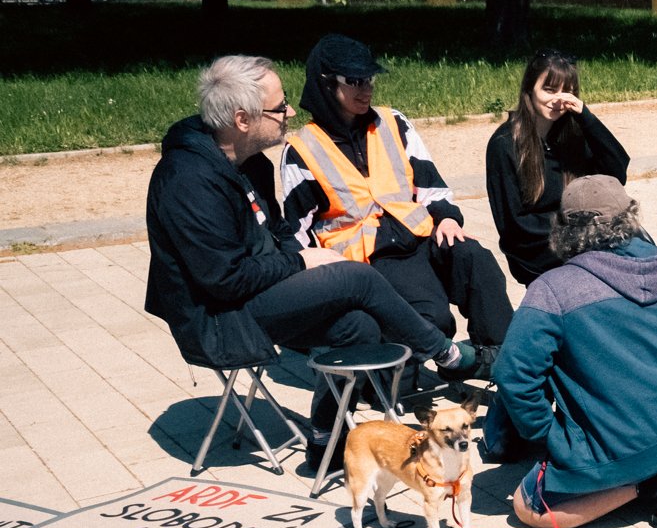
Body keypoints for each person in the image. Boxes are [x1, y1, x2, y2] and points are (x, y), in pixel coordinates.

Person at [144, 55, 473, 412]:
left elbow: (280, 230)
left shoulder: (250, 162)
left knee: (358, 325)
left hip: (254, 290)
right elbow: (224, 280)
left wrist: (294, 260)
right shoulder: (189, 181)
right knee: (355, 277)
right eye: (279, 107)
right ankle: (446, 352)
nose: (291, 113)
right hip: (217, 316)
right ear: (242, 120)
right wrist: (300, 261)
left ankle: (324, 440)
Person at [484, 176, 657, 528]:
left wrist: (548, 437)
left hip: (627, 441)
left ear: (563, 229)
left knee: (528, 508)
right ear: (630, 217)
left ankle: (650, 483)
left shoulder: (550, 290)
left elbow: (514, 375)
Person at [280, 34, 515, 386]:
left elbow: (430, 184)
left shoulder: (393, 122)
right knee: (432, 319)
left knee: (474, 258)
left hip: (420, 238)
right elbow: (295, 234)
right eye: (355, 82)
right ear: (327, 85)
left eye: (370, 79)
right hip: (368, 263)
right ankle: (396, 377)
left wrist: (448, 216)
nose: (366, 90)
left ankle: (504, 361)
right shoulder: (302, 149)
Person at [485, 50, 631, 286]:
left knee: (640, 248)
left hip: (578, 235)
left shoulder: (571, 133)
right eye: (549, 90)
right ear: (530, 89)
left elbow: (616, 174)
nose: (558, 100)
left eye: (566, 91)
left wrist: (587, 117)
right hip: (535, 248)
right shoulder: (504, 144)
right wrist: (573, 228)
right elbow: (513, 224)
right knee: (607, 273)